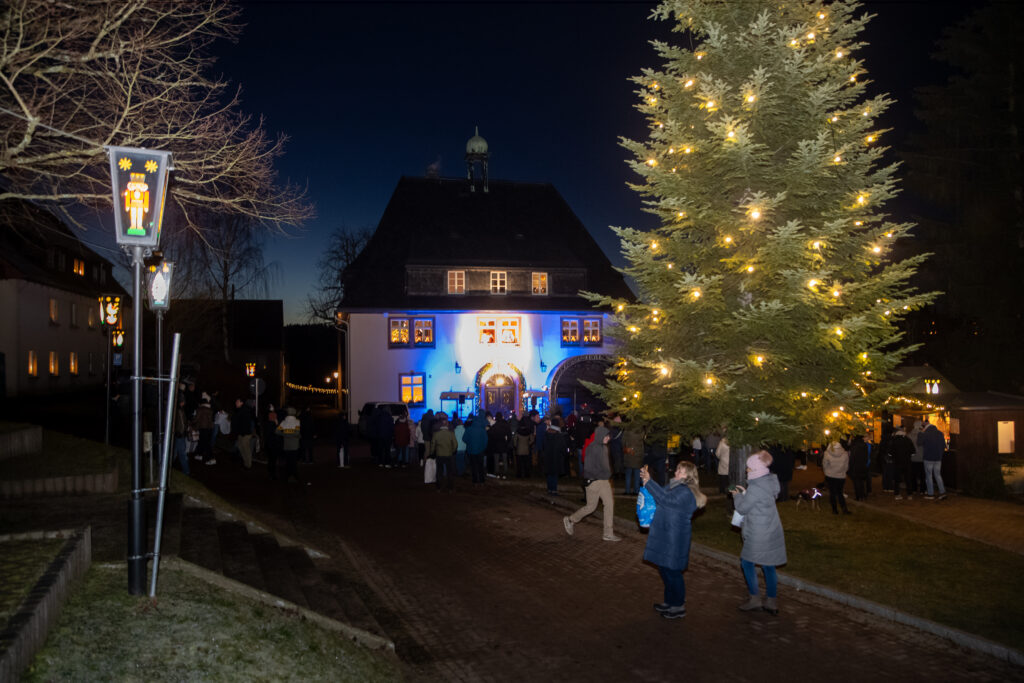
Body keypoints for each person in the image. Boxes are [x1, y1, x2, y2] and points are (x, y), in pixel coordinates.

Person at [639, 460, 707, 619]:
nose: (676, 473)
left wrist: (649, 481)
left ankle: (678, 606)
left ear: (688, 476)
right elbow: (658, 495)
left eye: (680, 471)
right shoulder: (674, 486)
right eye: (677, 469)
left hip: (675, 536)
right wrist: (647, 482)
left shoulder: (686, 492)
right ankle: (669, 602)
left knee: (673, 571)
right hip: (666, 533)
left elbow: (666, 500)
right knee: (664, 568)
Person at [733, 451, 788, 615]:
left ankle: (755, 599)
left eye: (749, 468)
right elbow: (759, 501)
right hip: (771, 528)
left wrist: (737, 496)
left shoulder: (756, 487)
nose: (747, 470)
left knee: (747, 562)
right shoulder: (769, 482)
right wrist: (746, 493)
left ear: (756, 469)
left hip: (758, 531)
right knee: (768, 565)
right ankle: (771, 601)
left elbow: (742, 508)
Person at [563, 420, 620, 541]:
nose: (608, 438)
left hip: (604, 481)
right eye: (606, 436)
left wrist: (607, 474)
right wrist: (602, 475)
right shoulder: (592, 448)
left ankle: (608, 533)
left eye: (608, 436)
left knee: (609, 504)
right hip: (594, 482)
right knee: (591, 507)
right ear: (600, 436)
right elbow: (588, 468)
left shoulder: (604, 448)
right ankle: (570, 520)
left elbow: (605, 466)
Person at [919, 421, 948, 500]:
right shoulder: (940, 433)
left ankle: (930, 494)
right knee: (938, 475)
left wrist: (921, 433)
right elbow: (944, 446)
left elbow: (919, 443)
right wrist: (940, 455)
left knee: (929, 476)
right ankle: (942, 492)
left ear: (924, 427)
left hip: (928, 458)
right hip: (938, 458)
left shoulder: (925, 433)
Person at [822, 440, 851, 514]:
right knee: (840, 493)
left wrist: (826, 472)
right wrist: (843, 472)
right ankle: (844, 509)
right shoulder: (845, 453)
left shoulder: (827, 453)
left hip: (830, 475)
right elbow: (846, 466)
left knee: (832, 493)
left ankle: (834, 510)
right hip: (841, 476)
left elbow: (824, 465)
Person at [541, 416, 568, 494]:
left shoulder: (546, 434)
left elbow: (543, 445)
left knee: (549, 473)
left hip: (548, 457)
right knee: (555, 474)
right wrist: (565, 453)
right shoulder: (559, 435)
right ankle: (554, 489)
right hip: (556, 457)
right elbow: (563, 447)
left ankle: (550, 489)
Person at [430, 416, 458, 491]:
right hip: (448, 454)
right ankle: (450, 488)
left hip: (439, 454)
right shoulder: (451, 433)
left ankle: (439, 487)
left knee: (439, 472)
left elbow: (433, 444)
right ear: (447, 424)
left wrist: (432, 452)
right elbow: (455, 444)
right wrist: (452, 451)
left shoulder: (436, 434)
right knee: (449, 472)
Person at [276, 407, 302, 483]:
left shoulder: (284, 422)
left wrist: (285, 434)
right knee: (294, 461)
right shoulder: (297, 421)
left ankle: (287, 476)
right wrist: (295, 436)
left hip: (286, 445)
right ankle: (294, 476)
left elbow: (277, 431)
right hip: (295, 445)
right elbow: (297, 433)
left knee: (288, 461)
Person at [888, 427, 915, 500]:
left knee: (897, 479)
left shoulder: (893, 440)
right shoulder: (908, 440)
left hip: (897, 462)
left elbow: (890, 453)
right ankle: (909, 494)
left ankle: (897, 494)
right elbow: (913, 452)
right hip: (907, 462)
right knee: (908, 479)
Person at [464, 411, 489, 484]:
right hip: (480, 450)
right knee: (480, 465)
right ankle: (482, 480)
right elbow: (486, 440)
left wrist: (469, 443)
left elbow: (464, 439)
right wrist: (483, 447)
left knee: (473, 466)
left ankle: (475, 480)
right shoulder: (482, 430)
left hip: (471, 450)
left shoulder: (469, 429)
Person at [233, 398, 256, 469]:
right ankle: (246, 462)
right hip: (240, 433)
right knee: (240, 446)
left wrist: (244, 432)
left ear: (241, 403)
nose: (236, 403)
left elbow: (246, 423)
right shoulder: (239, 410)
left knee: (246, 448)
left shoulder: (245, 410)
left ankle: (248, 464)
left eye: (237, 401)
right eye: (236, 401)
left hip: (245, 433)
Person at [488, 412, 512, 479]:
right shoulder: (506, 425)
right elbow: (509, 435)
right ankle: (505, 474)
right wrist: (507, 442)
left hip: (496, 445)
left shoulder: (494, 425)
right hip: (504, 445)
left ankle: (497, 473)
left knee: (496, 460)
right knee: (505, 460)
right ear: (502, 417)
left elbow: (491, 435)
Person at [622, 425, 645, 496]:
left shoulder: (627, 429)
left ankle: (627, 490)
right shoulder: (641, 430)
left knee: (628, 474)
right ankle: (636, 490)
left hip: (628, 454)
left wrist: (626, 448)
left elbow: (623, 442)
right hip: (638, 455)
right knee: (637, 475)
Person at [848, 434, 870, 501]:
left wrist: (850, 466)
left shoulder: (854, 445)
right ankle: (863, 495)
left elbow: (852, 457)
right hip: (862, 465)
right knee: (861, 481)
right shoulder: (864, 445)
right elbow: (866, 456)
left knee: (856, 482)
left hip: (855, 466)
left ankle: (858, 496)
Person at [907, 419, 926, 495]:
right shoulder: (923, 434)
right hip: (922, 457)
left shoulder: (909, 435)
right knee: (922, 475)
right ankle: (922, 490)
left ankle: (914, 489)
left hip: (912, 458)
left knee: (913, 475)